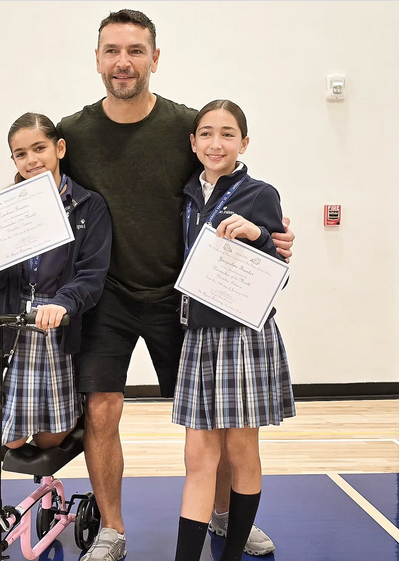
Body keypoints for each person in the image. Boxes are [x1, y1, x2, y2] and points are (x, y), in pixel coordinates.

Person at [57, 10, 295, 560]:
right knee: (101, 409)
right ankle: (113, 531)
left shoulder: (187, 127)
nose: (123, 62)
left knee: (216, 420)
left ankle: (223, 517)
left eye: (136, 51)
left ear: (155, 59)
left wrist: (272, 237)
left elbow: (235, 181)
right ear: (96, 59)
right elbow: (35, 182)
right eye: (112, 50)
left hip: (183, 298)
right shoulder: (73, 133)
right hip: (108, 294)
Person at [172, 99, 295, 561]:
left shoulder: (260, 194)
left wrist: (261, 237)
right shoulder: (186, 194)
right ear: (193, 142)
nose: (215, 142)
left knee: (241, 449)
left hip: (244, 336)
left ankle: (231, 555)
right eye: (206, 133)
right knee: (198, 457)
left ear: (244, 142)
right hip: (199, 336)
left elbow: (279, 274)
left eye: (227, 134)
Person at [0, 112, 112, 449]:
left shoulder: (88, 207)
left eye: (39, 148)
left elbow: (92, 275)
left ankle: (52, 477)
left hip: (57, 328)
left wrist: (62, 303)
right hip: (14, 326)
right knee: (11, 441)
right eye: (21, 154)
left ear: (59, 148)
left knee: (52, 439)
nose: (31, 160)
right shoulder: (4, 209)